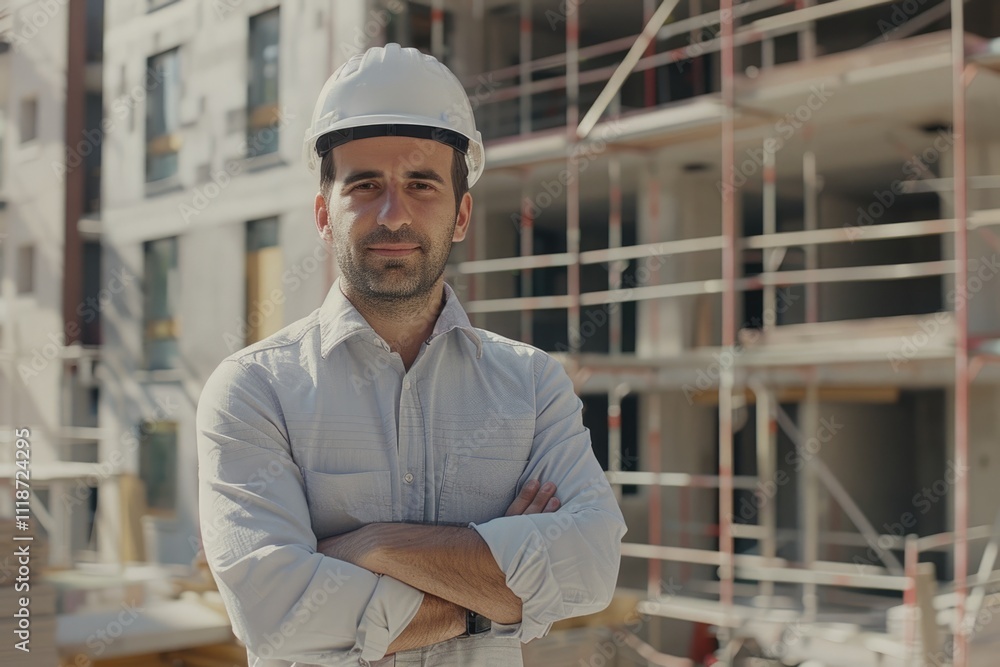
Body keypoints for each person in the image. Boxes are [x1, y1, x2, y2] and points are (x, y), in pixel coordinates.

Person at [196, 43, 626, 667]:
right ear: (323, 214)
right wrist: (495, 599)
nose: (393, 215)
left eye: (421, 185)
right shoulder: (254, 391)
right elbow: (276, 615)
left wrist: (371, 545)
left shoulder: (533, 386)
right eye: (365, 185)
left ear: (461, 214)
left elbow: (591, 567)